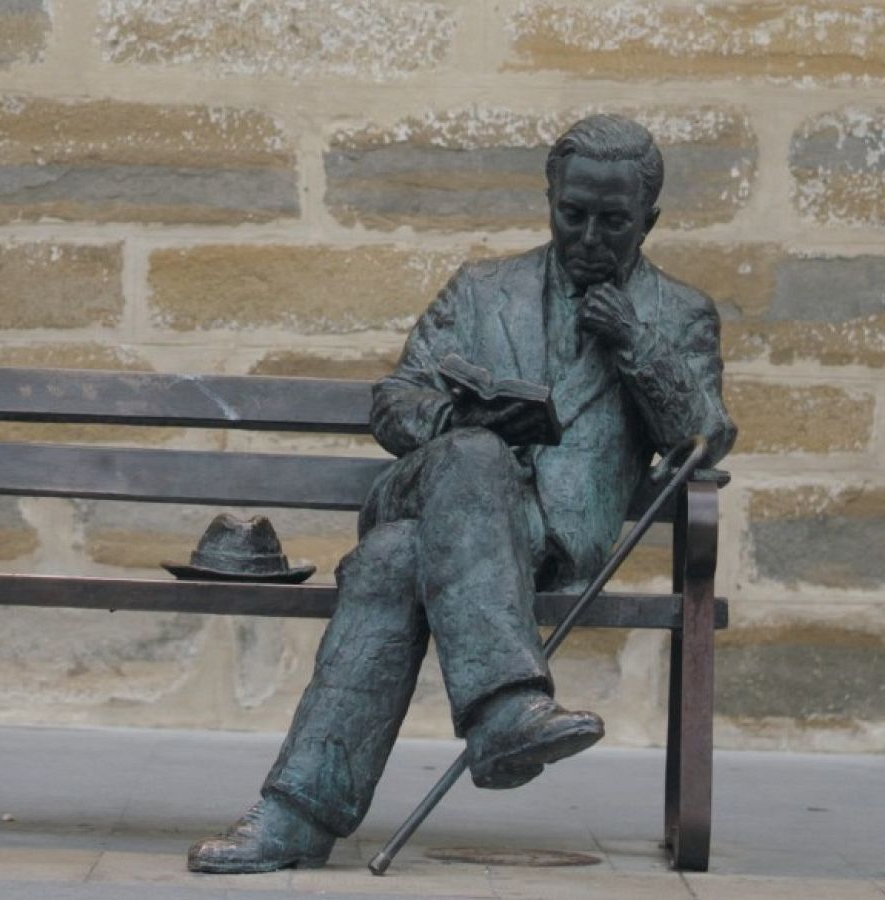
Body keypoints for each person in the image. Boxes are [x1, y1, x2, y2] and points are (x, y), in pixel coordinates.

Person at [188, 114, 737, 874]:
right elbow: (396, 399)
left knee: (390, 561)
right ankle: (505, 707)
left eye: (612, 223)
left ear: (650, 219)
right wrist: (458, 417)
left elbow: (704, 439)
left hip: (544, 545)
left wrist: (636, 342)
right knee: (473, 455)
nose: (587, 237)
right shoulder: (484, 292)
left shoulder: (678, 314)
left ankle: (295, 816)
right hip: (431, 488)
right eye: (571, 214)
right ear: (550, 199)